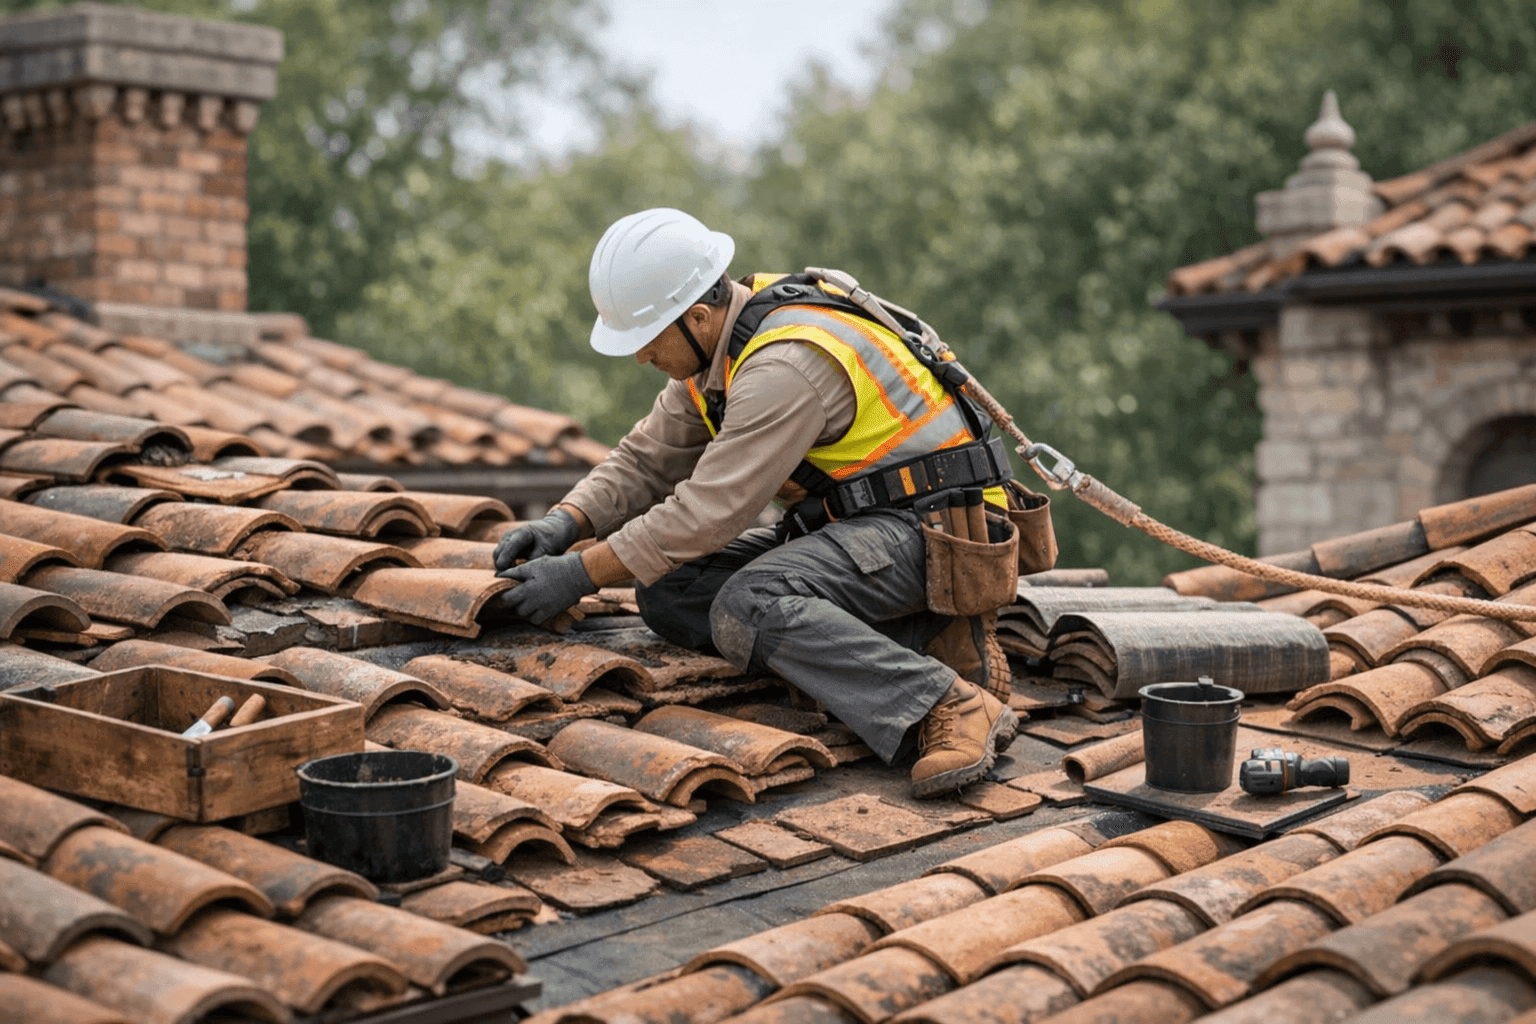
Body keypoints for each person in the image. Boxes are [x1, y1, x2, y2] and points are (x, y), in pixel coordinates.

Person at [495, 207, 1019, 797]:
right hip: (864, 528)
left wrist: (578, 574)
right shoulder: (719, 348)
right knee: (670, 592)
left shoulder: (784, 365)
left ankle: (945, 701)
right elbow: (646, 459)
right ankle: (923, 642)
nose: (641, 358)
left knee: (748, 603)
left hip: (939, 533)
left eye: (645, 342)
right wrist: (565, 523)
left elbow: (706, 513)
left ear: (696, 315)